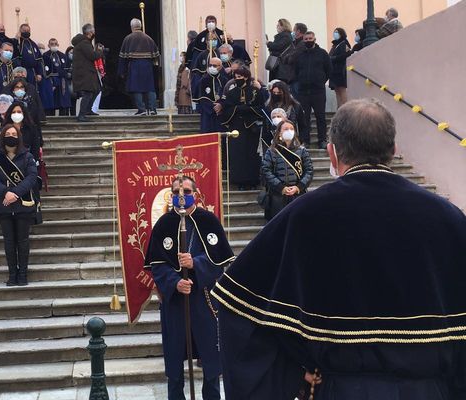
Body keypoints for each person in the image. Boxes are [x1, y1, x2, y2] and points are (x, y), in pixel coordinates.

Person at [214, 98, 466, 400]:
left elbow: (237, 306)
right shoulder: (448, 218)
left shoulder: (303, 216)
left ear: (332, 154)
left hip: (340, 391)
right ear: (394, 150)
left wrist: (292, 375)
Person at [145, 176, 235, 400]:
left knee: (211, 364)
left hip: (204, 300)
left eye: (185, 190)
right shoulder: (164, 224)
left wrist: (196, 263)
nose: (181, 196)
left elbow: (219, 262)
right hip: (176, 302)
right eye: (176, 192)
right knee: (175, 365)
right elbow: (157, 265)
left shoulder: (209, 221)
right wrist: (175, 282)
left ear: (195, 193)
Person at [0, 124, 38, 287]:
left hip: (23, 204)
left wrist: (15, 193)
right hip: (4, 205)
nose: (11, 136)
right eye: (8, 133)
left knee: (23, 241)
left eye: (13, 133)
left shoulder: (27, 156)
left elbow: (32, 177)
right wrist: (6, 193)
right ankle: (12, 274)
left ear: (19, 136)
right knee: (9, 241)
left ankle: (23, 274)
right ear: (2, 136)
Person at [217, 67, 266, 190]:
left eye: (240, 77)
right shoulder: (231, 93)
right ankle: (240, 181)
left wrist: (248, 109)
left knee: (252, 154)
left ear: (246, 77)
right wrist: (237, 109)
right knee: (238, 154)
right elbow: (227, 109)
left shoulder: (255, 91)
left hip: (252, 128)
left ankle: (254, 180)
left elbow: (262, 107)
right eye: (236, 77)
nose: (238, 79)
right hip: (237, 128)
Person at [261, 119, 313, 220]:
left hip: (298, 194)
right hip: (277, 196)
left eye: (291, 129)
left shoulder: (302, 151)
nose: (289, 131)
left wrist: (299, 187)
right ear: (279, 132)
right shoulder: (272, 151)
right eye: (286, 129)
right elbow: (266, 170)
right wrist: (281, 187)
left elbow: (309, 170)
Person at [294, 31, 331, 149]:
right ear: (303, 40)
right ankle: (305, 141)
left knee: (320, 116)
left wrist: (320, 81)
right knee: (304, 117)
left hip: (318, 91)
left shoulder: (322, 53)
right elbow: (295, 71)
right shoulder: (300, 55)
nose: (308, 40)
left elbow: (329, 69)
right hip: (303, 91)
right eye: (306, 39)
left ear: (314, 39)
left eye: (310, 38)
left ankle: (322, 140)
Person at [118, 18, 160, 116]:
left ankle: (142, 109)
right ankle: (153, 109)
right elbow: (156, 56)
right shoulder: (148, 38)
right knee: (149, 88)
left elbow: (122, 57)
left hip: (134, 66)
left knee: (136, 88)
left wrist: (121, 72)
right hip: (147, 66)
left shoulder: (128, 38)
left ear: (132, 27)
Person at [71, 23, 103, 122]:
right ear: (89, 32)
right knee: (88, 93)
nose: (94, 33)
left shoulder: (84, 43)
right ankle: (81, 114)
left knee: (96, 89)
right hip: (85, 73)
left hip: (87, 72)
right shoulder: (84, 43)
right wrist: (100, 51)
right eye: (93, 31)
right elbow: (92, 56)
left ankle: (88, 110)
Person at [197, 57, 227, 133]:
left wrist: (221, 105)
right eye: (210, 65)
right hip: (208, 114)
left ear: (220, 67)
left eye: (214, 65)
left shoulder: (224, 80)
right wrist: (213, 108)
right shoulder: (203, 80)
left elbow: (227, 96)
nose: (212, 67)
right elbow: (202, 97)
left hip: (221, 114)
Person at [42, 38, 72, 116]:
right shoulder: (45, 56)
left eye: (55, 44)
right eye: (52, 44)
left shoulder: (62, 55)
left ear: (58, 45)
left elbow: (66, 68)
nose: (54, 45)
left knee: (62, 102)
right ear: (48, 45)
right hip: (51, 81)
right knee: (52, 101)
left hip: (62, 81)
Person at [283, 22, 308, 96]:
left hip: (298, 78)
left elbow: (292, 58)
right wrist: (288, 57)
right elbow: (285, 58)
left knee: (299, 101)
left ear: (298, 31)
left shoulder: (302, 44)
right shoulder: (294, 43)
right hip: (293, 77)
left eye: (294, 30)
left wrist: (289, 57)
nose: (292, 32)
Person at [329, 28, 352, 107]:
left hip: (340, 71)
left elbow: (346, 55)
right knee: (337, 92)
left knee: (342, 91)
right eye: (334, 32)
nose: (335, 34)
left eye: (337, 32)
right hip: (333, 72)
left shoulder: (344, 43)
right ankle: (339, 110)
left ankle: (345, 109)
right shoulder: (335, 45)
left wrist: (334, 58)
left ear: (341, 34)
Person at [64, 46, 76, 116]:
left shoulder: (77, 62)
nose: (72, 54)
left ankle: (73, 115)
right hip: (66, 84)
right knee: (66, 102)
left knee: (73, 102)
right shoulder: (64, 61)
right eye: (71, 52)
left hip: (74, 84)